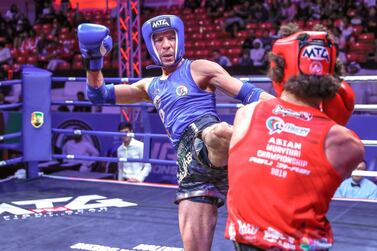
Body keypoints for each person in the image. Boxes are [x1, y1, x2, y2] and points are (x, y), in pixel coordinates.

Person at [77, 15, 273, 251]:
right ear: (151, 45)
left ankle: (265, 155)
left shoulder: (199, 68)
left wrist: (293, 111)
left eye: (171, 37)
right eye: (159, 40)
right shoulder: (149, 86)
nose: (167, 45)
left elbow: (250, 94)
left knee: (220, 132)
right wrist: (93, 59)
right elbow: (98, 94)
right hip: (189, 168)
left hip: (211, 143)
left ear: (180, 39)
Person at [225, 29, 365, 250]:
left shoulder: (247, 115)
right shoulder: (346, 143)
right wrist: (331, 119)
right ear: (332, 76)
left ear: (277, 69)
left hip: (245, 240)